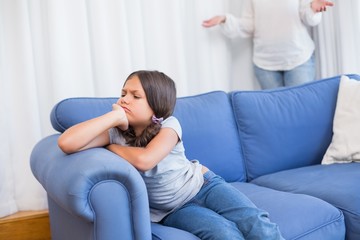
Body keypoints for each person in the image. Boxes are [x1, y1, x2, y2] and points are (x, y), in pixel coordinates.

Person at [58, 70, 284, 240]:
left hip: (204, 185)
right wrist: (113, 118)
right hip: (171, 209)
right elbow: (66, 143)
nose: (125, 99)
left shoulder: (169, 125)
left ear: (156, 105)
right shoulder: (115, 132)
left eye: (136, 96)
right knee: (224, 233)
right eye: (123, 93)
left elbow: (145, 160)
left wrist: (110, 148)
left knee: (255, 221)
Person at [202, 0, 334, 89]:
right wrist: (226, 20)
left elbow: (308, 17)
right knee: (274, 117)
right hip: (265, 66)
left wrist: (313, 9)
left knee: (301, 112)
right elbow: (249, 25)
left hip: (299, 60)